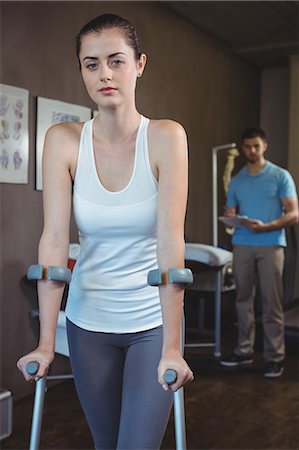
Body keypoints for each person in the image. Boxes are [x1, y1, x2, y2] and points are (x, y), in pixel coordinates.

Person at [17, 13, 193, 449]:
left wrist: (173, 345)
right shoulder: (63, 140)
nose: (105, 74)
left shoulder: (166, 137)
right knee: (106, 443)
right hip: (87, 322)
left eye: (116, 60)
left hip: (151, 322)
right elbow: (55, 241)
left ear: (140, 64)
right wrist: (45, 342)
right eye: (91, 64)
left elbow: (171, 242)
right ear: (81, 70)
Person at [220, 127, 298, 378]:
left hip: (272, 243)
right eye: (247, 147)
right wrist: (230, 215)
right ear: (243, 149)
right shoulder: (238, 179)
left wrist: (268, 226)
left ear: (264, 145)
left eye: (256, 146)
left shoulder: (280, 176)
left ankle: (274, 356)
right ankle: (243, 350)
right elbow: (231, 210)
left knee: (271, 301)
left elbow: (293, 214)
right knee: (242, 299)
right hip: (242, 243)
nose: (251, 151)